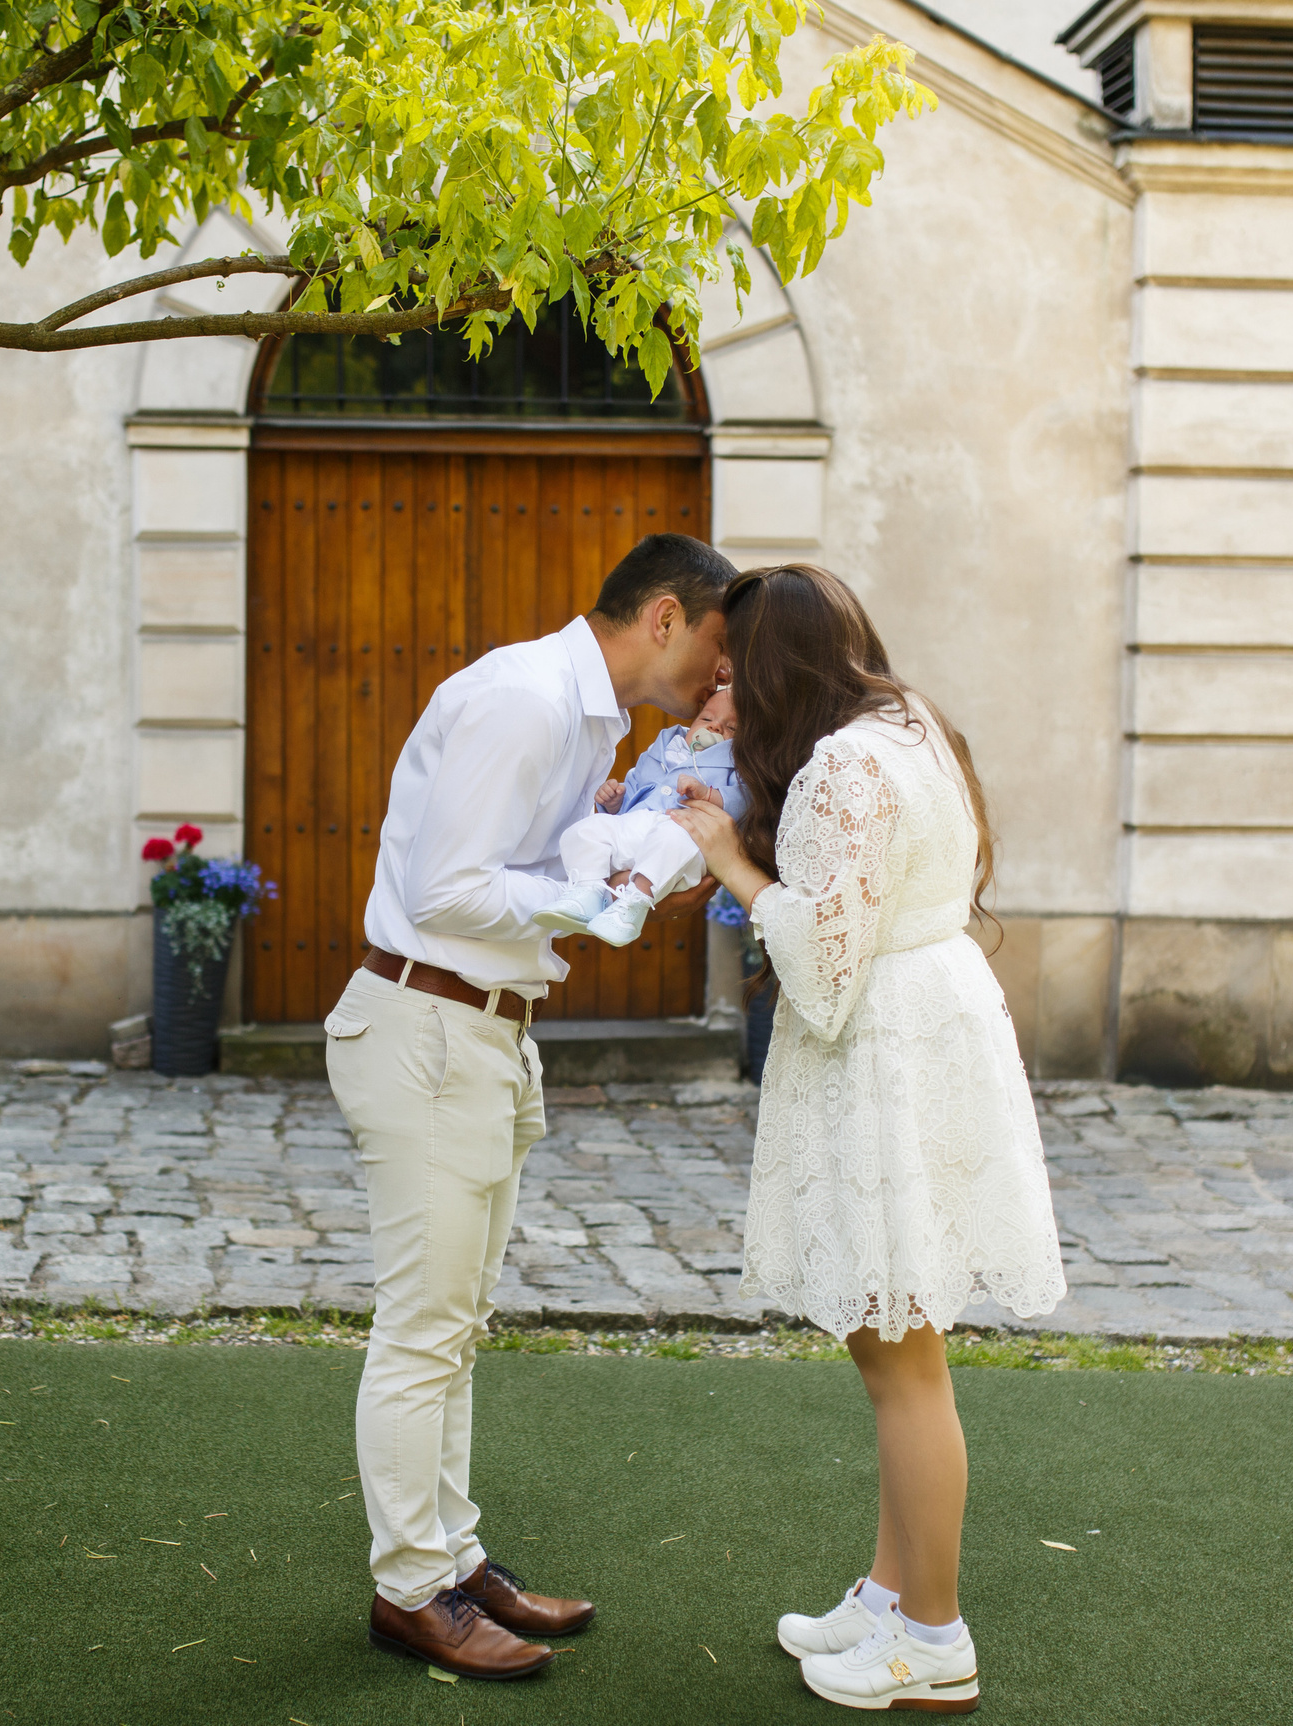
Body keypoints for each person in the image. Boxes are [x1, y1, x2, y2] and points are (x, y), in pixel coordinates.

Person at [327, 531, 737, 1681]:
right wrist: (599, 893)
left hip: (478, 1029)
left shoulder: (590, 719)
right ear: (663, 616)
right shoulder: (525, 700)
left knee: (454, 1325)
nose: (719, 678)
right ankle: (411, 1590)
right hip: (427, 1024)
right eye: (715, 647)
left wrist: (626, 854)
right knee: (423, 1328)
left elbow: (503, 866)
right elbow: (445, 887)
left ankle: (450, 1561)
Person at [669, 565, 1066, 1715]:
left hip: (888, 1048)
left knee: (902, 1363)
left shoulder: (843, 760)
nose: (723, 690)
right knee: (892, 1343)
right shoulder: (905, 724)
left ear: (775, 662)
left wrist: (732, 864)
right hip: (926, 1029)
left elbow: (824, 969)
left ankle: (932, 1635)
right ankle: (890, 1596)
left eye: (735, 669)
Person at [535, 684, 748, 946]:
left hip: (684, 837)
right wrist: (614, 803)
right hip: (637, 828)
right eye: (706, 718)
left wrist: (709, 795)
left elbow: (744, 801)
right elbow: (635, 787)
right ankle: (587, 891)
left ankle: (632, 905)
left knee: (672, 838)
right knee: (587, 829)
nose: (715, 727)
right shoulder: (665, 750)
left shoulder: (737, 764)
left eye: (732, 728)